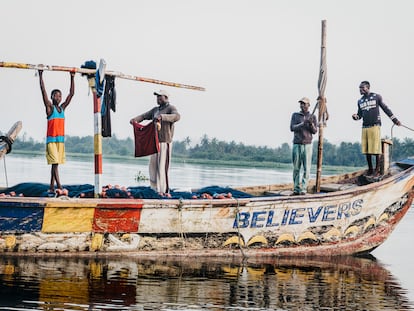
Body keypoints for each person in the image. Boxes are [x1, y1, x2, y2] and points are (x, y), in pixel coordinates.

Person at [130, 90, 180, 194]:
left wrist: (163, 117)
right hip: (154, 142)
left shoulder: (171, 108)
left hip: (164, 142)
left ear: (166, 97)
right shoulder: (155, 110)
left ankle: (164, 191)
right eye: (157, 97)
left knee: (162, 168)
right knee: (152, 168)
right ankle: (154, 189)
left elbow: (176, 116)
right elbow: (144, 116)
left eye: (160, 97)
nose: (158, 99)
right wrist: (135, 120)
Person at [352, 81, 401, 177]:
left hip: (375, 126)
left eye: (362, 88)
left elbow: (386, 109)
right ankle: (370, 169)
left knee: (376, 149)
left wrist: (395, 120)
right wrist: (355, 117)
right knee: (367, 150)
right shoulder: (360, 101)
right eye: (359, 88)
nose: (360, 90)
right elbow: (360, 115)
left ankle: (377, 170)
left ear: (368, 88)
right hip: (365, 127)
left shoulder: (376, 97)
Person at [38, 70, 75, 193]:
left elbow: (71, 94)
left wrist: (72, 77)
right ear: (52, 97)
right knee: (55, 164)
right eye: (56, 96)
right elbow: (43, 92)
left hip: (60, 141)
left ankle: (51, 187)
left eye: (60, 96)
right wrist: (40, 75)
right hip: (52, 141)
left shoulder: (62, 108)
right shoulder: (50, 108)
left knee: (56, 164)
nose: (58, 98)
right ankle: (59, 186)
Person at [290, 97, 318, 195]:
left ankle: (304, 189)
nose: (302, 105)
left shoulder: (312, 116)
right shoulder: (295, 115)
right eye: (301, 103)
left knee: (307, 168)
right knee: (296, 168)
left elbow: (314, 131)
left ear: (308, 105)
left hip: (307, 145)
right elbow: (292, 128)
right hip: (297, 144)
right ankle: (296, 189)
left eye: (304, 103)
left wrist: (310, 124)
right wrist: (303, 123)